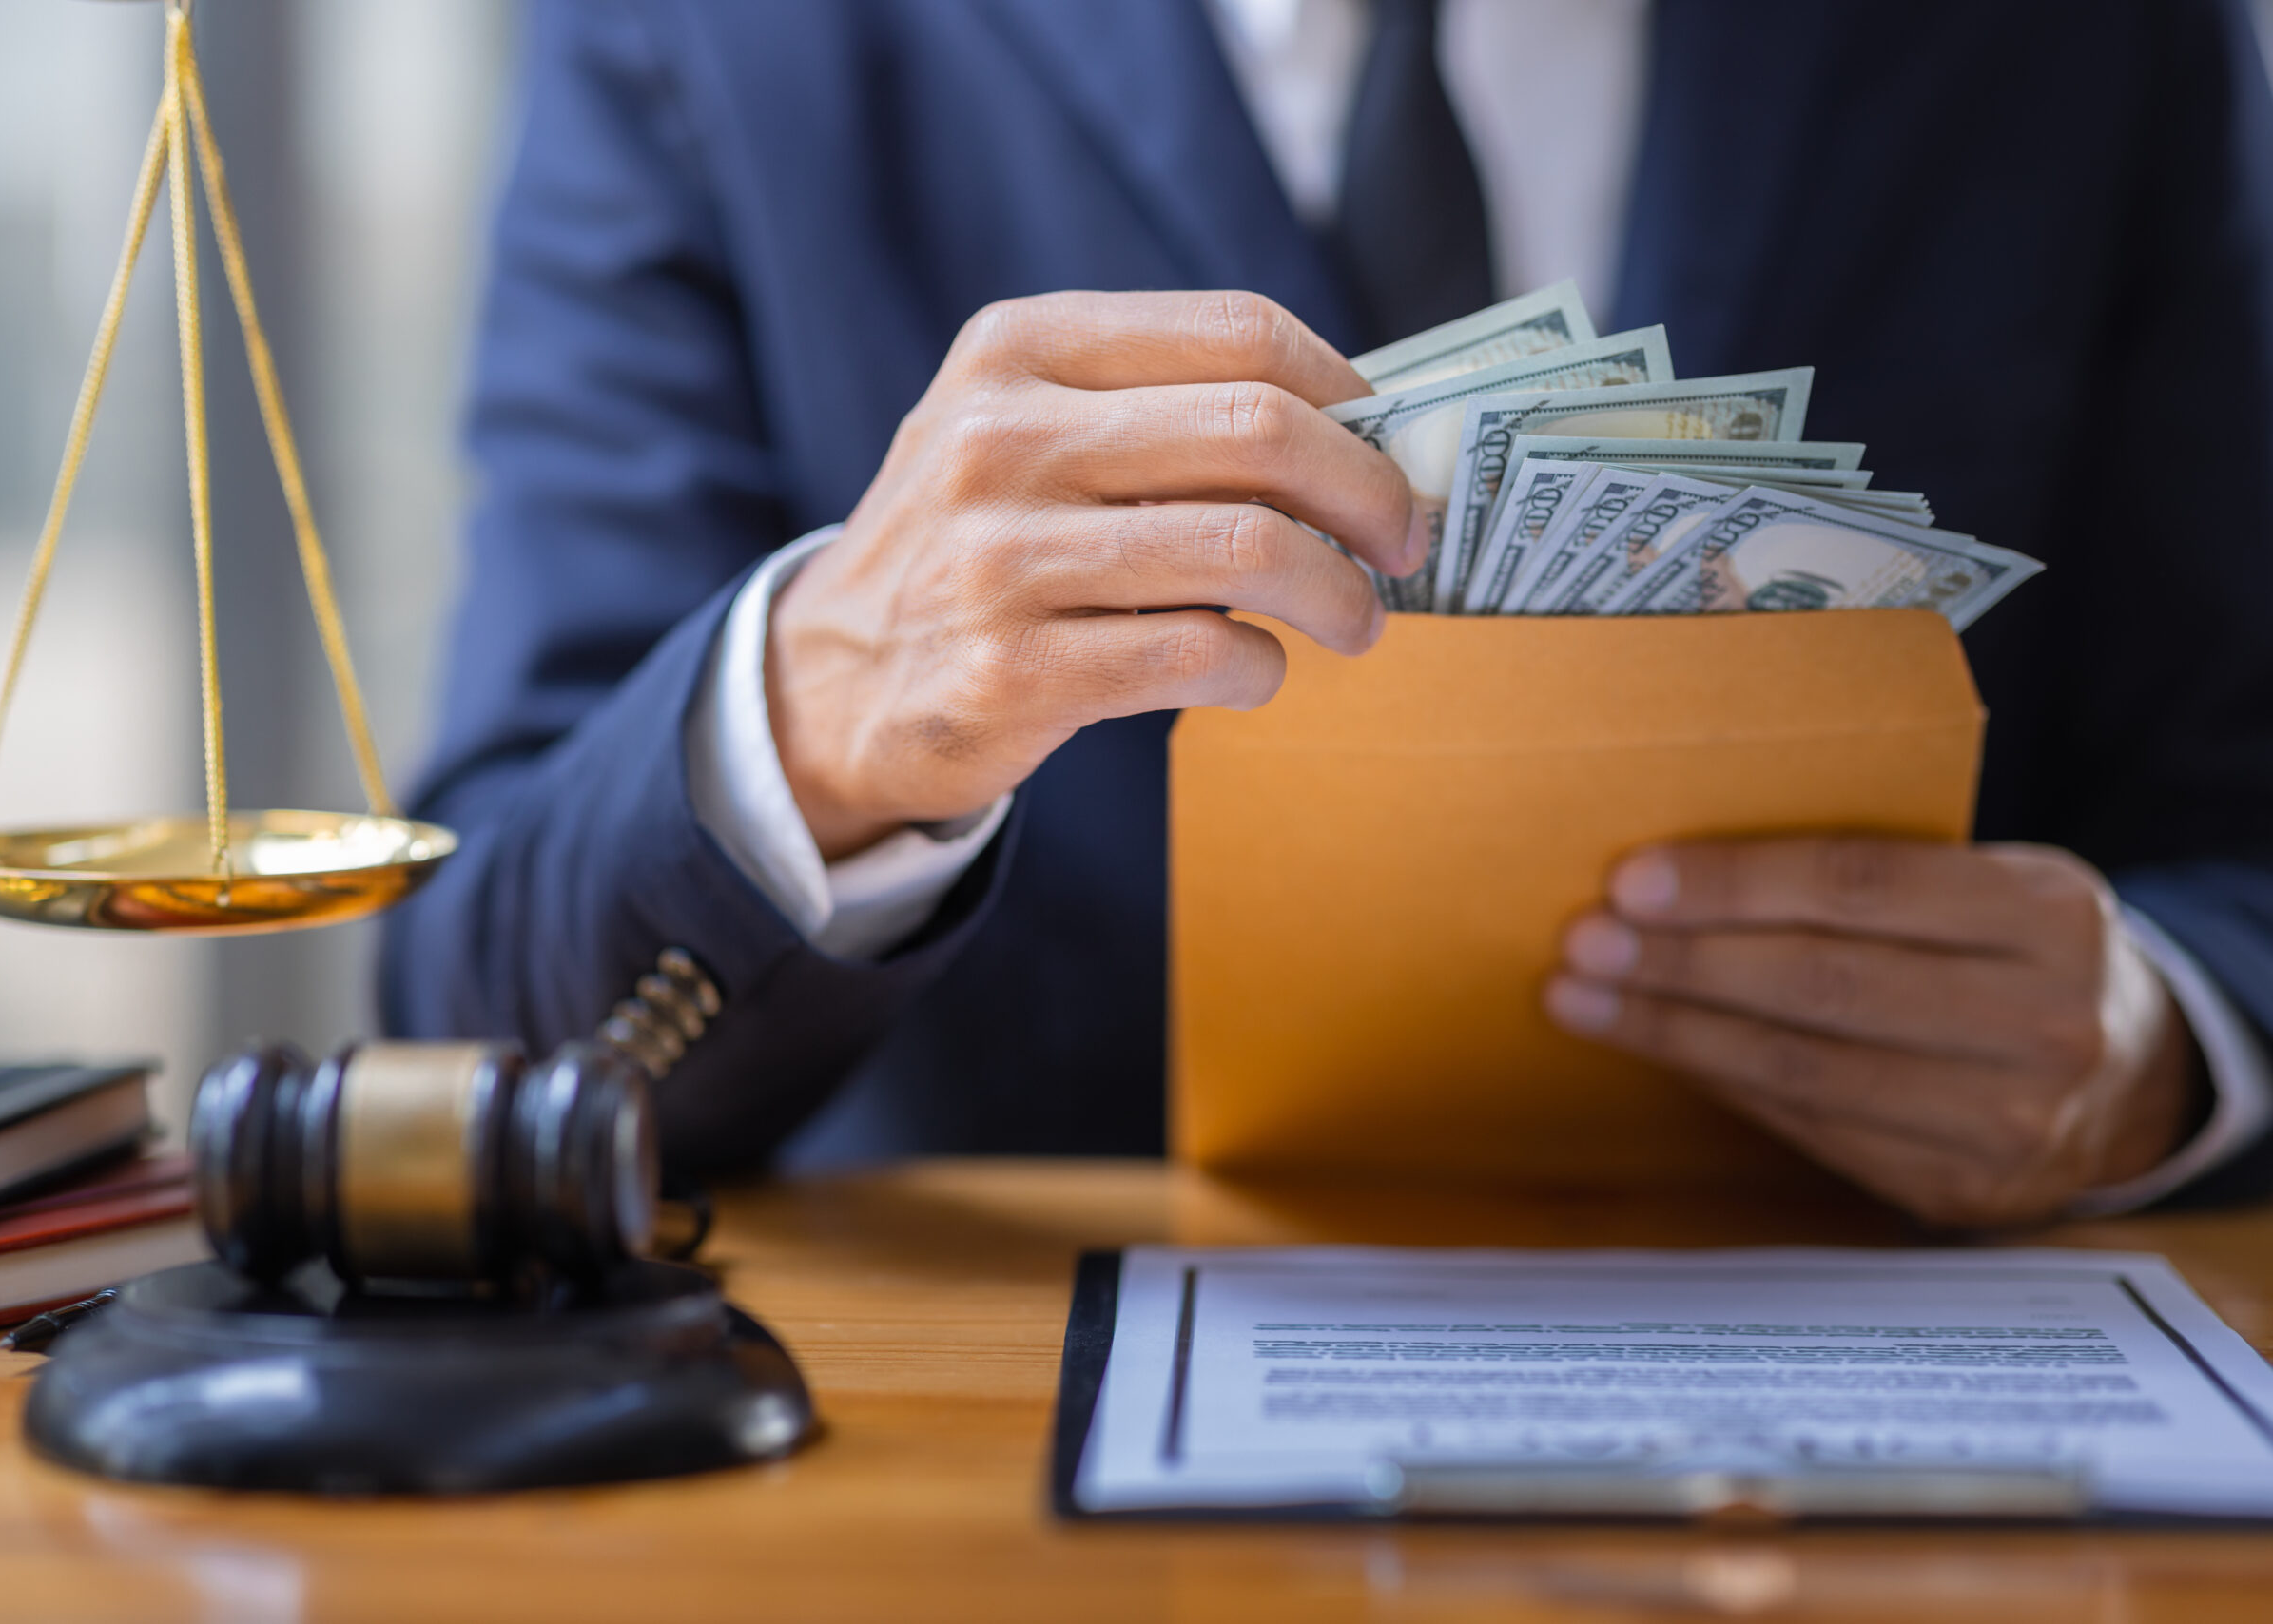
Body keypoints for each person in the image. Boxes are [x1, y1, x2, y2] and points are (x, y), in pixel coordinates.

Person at [383, 0, 2273, 1226]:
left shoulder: (2086, 45)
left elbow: (2236, 814)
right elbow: (474, 1015)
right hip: (988, 1448)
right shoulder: (706, 40)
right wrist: (814, 721)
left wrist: (2156, 1041)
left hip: (1855, 1425)